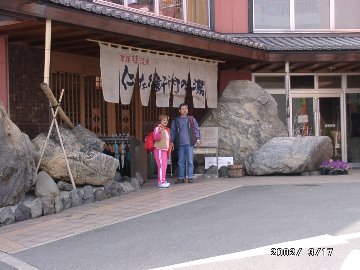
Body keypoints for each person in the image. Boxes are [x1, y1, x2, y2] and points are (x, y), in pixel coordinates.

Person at [170, 103, 201, 184]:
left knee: (190, 161)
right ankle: (181, 177)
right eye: (183, 109)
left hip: (189, 143)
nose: (184, 110)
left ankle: (190, 177)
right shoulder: (176, 120)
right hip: (180, 144)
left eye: (186, 109)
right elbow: (172, 132)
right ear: (179, 110)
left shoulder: (191, 119)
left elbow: (197, 129)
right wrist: (171, 141)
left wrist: (198, 139)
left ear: (187, 110)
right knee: (180, 161)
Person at [153, 114, 172, 188]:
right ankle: (161, 182)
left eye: (166, 120)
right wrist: (159, 132)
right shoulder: (158, 128)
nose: (165, 121)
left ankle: (163, 180)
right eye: (163, 120)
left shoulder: (166, 129)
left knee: (164, 166)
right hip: (159, 149)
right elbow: (156, 138)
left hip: (164, 150)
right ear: (160, 121)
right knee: (161, 166)